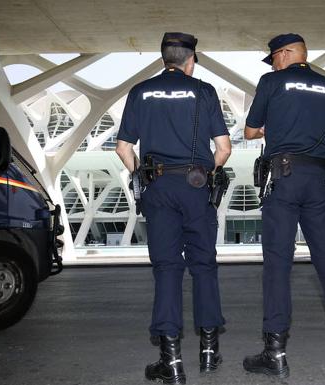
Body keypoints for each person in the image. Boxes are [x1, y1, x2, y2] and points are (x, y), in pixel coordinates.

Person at [115, 32, 232, 385]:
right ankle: (209, 352)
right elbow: (224, 148)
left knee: (167, 268)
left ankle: (172, 361)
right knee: (204, 265)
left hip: (159, 185)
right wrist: (203, 173)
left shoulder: (140, 91)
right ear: (191, 61)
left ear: (164, 59)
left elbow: (123, 148)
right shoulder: (204, 91)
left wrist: (144, 175)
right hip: (196, 185)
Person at [242, 33, 325, 377]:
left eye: (274, 56)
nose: (272, 63)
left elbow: (249, 131)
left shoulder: (272, 81)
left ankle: (274, 352)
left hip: (285, 178)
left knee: (278, 263)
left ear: (287, 53)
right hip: (321, 179)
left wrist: (271, 129)